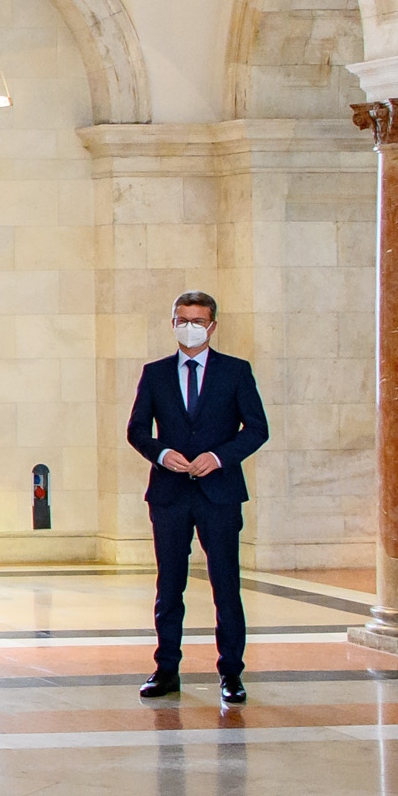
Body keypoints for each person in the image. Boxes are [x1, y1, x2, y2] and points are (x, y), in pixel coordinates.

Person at [125, 290, 270, 705]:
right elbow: (136, 429)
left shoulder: (236, 371)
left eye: (198, 320)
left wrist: (219, 457)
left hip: (218, 493)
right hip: (169, 494)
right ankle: (166, 668)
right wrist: (163, 454)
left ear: (212, 325)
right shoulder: (155, 374)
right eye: (182, 320)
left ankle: (231, 672)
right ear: (173, 324)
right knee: (169, 585)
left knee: (226, 584)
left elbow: (257, 429)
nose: (190, 327)